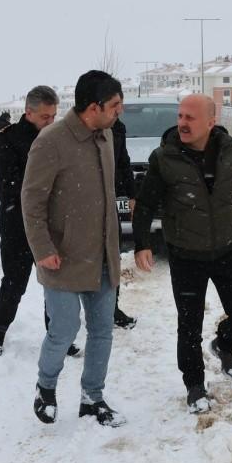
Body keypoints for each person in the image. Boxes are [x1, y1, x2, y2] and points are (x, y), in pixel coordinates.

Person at [133, 94, 232, 415]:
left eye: (190, 117)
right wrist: (141, 243)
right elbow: (146, 202)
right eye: (180, 116)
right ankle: (194, 385)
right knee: (189, 325)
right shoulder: (164, 158)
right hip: (185, 254)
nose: (182, 122)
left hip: (226, 250)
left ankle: (224, 345)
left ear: (211, 121)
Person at [22, 71, 125, 427]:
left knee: (101, 330)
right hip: (61, 255)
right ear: (93, 107)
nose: (118, 112)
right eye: (114, 105)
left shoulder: (107, 136)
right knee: (64, 329)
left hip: (102, 254)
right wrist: (42, 248)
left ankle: (92, 397)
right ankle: (45, 386)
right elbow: (31, 202)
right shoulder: (51, 141)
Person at [0, 86, 79, 358]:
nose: (50, 122)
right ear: (29, 112)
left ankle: (59, 337)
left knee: (56, 283)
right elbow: (11, 183)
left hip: (52, 221)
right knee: (15, 281)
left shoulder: (58, 138)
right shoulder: (8, 139)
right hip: (17, 221)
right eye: (45, 117)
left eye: (53, 116)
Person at [111, 117, 138, 330]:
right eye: (114, 104)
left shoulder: (118, 127)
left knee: (114, 255)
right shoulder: (83, 129)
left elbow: (123, 161)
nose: (119, 109)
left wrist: (131, 194)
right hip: (86, 204)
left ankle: (112, 308)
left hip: (114, 200)